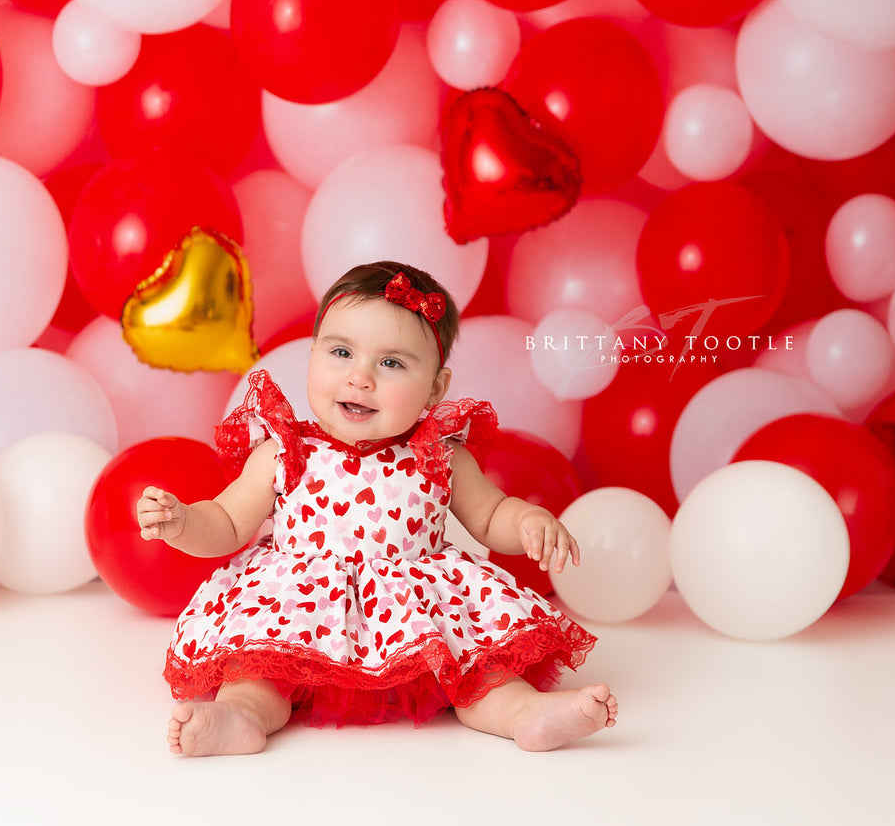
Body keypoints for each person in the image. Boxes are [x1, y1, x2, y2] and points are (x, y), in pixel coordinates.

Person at [139, 261, 617, 757]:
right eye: (342, 352)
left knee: (477, 670)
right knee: (257, 667)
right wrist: (184, 521)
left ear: (435, 388)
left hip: (415, 615)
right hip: (300, 615)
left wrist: (528, 522)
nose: (360, 377)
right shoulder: (285, 452)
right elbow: (227, 522)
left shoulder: (440, 456)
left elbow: (492, 517)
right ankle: (241, 717)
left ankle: (524, 714)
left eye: (391, 363)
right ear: (312, 354)